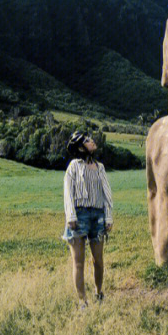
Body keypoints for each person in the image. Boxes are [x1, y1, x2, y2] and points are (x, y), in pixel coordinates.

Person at [61, 131, 113, 308]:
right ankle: (82, 301)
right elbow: (68, 193)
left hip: (97, 216)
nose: (92, 141)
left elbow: (107, 194)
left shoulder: (100, 167)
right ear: (82, 147)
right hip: (79, 215)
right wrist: (71, 216)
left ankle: (99, 293)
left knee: (98, 260)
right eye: (88, 141)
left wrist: (108, 217)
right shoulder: (73, 167)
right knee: (79, 262)